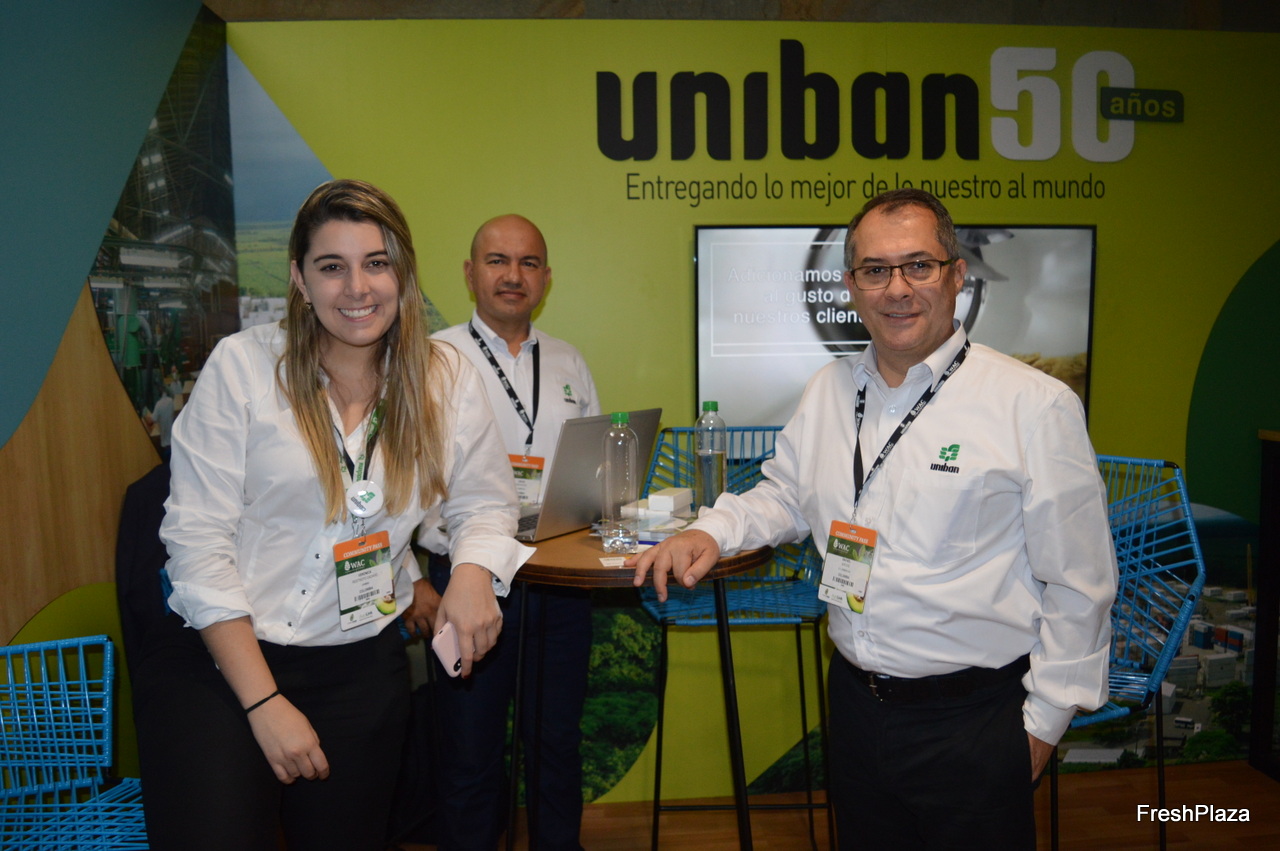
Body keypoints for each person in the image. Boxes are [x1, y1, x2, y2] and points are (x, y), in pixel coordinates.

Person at [630, 188, 1118, 850]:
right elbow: (785, 494)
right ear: (850, 285)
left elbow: (1081, 580)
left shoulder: (1033, 405)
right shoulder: (827, 390)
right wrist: (709, 530)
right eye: (875, 270)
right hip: (857, 707)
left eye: (918, 265)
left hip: (974, 722)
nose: (897, 289)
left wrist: (1043, 725)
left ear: (957, 275)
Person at [141, 179, 530, 851]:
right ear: (299, 278)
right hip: (224, 660)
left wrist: (472, 572)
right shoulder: (243, 368)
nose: (357, 287)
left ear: (402, 272)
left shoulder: (444, 379)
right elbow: (197, 543)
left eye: (376, 262)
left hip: (359, 667)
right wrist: (264, 703)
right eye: (332, 266)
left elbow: (485, 502)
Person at [422, 214, 599, 851]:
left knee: (556, 744)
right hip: (467, 583)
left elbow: (593, 469)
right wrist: (413, 579)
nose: (513, 275)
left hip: (561, 585)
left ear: (546, 278)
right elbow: (400, 480)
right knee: (468, 751)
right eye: (497, 260)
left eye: (528, 263)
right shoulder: (432, 359)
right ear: (470, 274)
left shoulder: (570, 360)